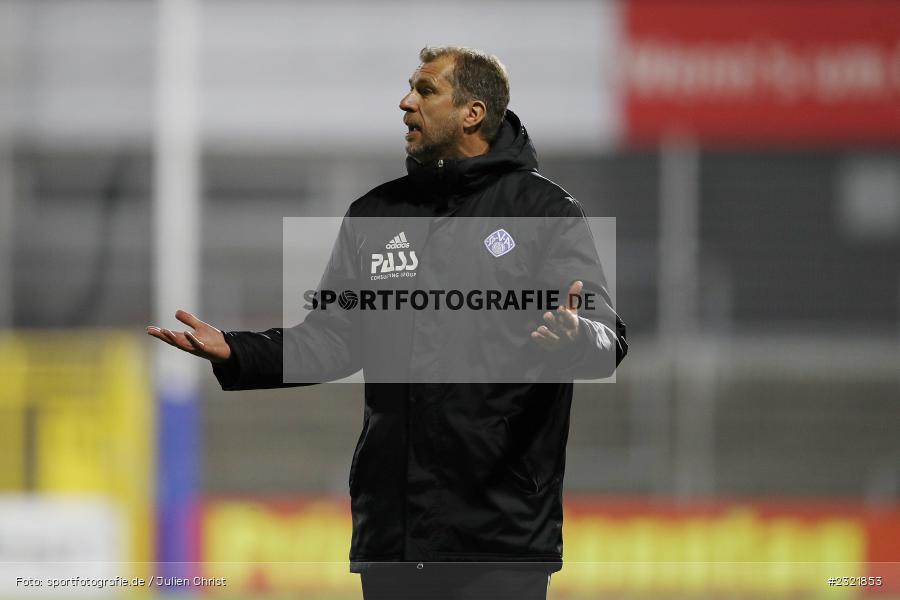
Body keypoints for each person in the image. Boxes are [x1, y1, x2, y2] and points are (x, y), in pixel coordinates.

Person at [148, 46, 627, 600]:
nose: (406, 103)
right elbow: (334, 338)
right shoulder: (375, 213)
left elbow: (605, 333)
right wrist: (237, 350)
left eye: (426, 91)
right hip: (393, 532)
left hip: (500, 534)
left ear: (472, 112)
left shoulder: (544, 212)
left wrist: (576, 339)